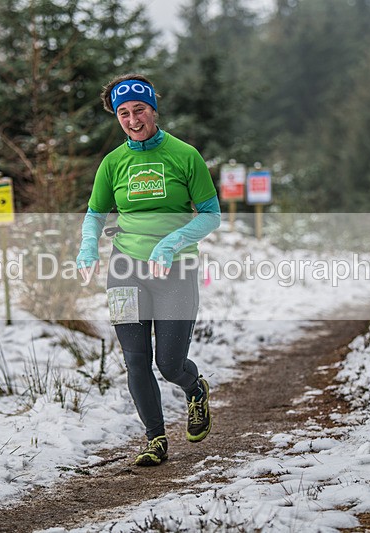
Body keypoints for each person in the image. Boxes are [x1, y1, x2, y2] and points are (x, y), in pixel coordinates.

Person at [76, 74, 221, 466]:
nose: (132, 119)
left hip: (176, 270)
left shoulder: (184, 155)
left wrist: (171, 242)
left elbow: (211, 215)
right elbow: (95, 213)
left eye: (139, 110)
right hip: (125, 269)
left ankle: (194, 388)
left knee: (169, 364)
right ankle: (155, 439)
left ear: (153, 109)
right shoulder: (113, 163)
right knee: (136, 359)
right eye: (123, 113)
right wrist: (88, 245)